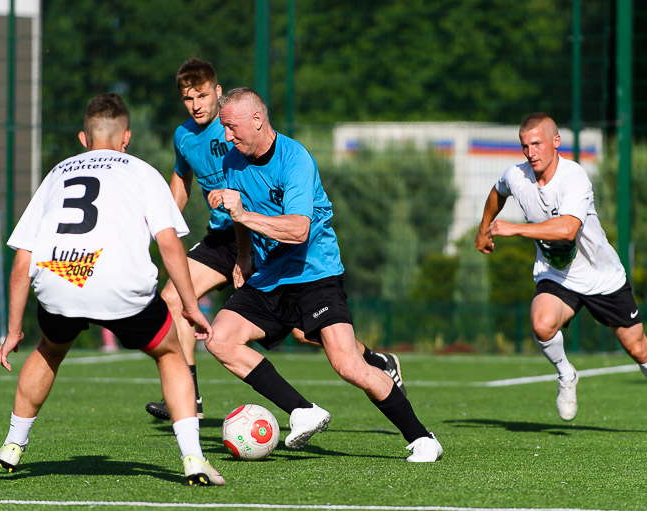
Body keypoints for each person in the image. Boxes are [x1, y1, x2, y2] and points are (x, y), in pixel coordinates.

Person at [145, 58, 407, 422]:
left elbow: (274, 175)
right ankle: (188, 395)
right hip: (225, 236)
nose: (196, 105)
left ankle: (374, 361)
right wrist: (166, 223)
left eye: (202, 96)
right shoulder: (183, 137)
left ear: (218, 93)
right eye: (188, 99)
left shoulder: (236, 125)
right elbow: (181, 177)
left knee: (305, 333)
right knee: (173, 298)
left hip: (262, 232)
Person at [0, 93, 224, 486]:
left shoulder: (57, 173)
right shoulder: (143, 171)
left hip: (61, 278)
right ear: (126, 137)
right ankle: (193, 458)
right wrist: (191, 305)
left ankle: (13, 445)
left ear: (84, 139)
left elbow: (22, 262)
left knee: (49, 349)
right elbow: (169, 244)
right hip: (120, 284)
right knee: (170, 353)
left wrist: (14, 330)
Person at [205, 87, 442, 461]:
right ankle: (303, 411)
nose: (227, 136)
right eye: (224, 127)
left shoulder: (295, 159)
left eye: (232, 127)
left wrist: (243, 215)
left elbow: (298, 229)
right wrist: (245, 256)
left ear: (257, 119)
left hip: (314, 273)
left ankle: (422, 438)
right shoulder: (233, 161)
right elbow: (240, 214)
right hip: (270, 277)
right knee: (220, 338)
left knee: (348, 365)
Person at [474, 112, 647, 421]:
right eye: (525, 145)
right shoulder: (516, 176)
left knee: (638, 350)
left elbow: (567, 229)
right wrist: (483, 228)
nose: (530, 152)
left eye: (537, 144)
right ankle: (566, 374)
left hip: (601, 276)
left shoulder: (574, 176)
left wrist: (516, 229)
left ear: (556, 142)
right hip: (557, 276)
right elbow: (497, 192)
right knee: (542, 324)